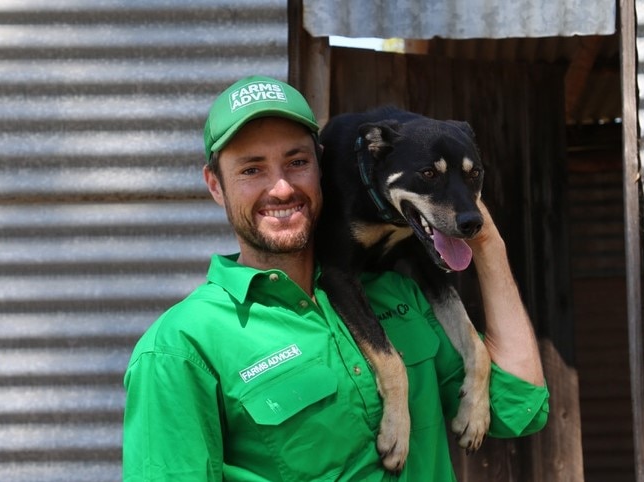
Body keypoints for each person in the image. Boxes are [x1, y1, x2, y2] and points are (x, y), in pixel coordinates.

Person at [122, 75, 549, 481]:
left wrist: (483, 240)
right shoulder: (180, 348)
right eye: (252, 170)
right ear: (215, 186)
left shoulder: (398, 293)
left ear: (322, 167)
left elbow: (518, 408)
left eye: (297, 162)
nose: (282, 188)